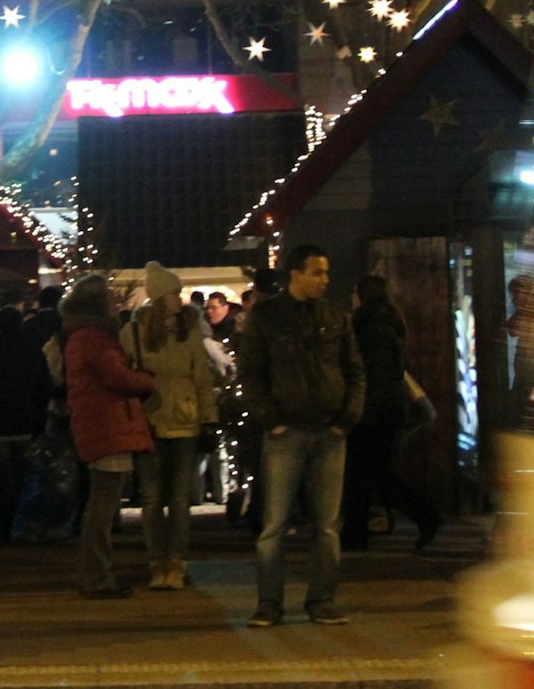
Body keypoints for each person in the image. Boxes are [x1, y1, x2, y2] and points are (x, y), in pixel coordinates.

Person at [238, 244, 364, 628]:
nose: (325, 280)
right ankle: (269, 602)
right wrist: (270, 419)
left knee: (326, 525)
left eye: (326, 273)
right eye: (317, 273)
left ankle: (322, 600)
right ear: (296, 274)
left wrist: (346, 420)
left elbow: (355, 370)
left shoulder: (335, 317)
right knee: (275, 524)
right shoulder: (267, 317)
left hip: (329, 429)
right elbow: (251, 372)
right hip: (287, 430)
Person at [123, 263, 218, 591]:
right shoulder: (133, 332)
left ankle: (176, 560)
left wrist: (209, 418)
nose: (180, 298)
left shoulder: (189, 329)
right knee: (151, 499)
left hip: (185, 421)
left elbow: (202, 377)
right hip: (148, 421)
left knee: (178, 498)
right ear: (160, 296)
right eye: (175, 292)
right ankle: (156, 561)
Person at [60, 274, 155, 598]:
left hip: (101, 423)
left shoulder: (80, 335)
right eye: (111, 298)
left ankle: (97, 573)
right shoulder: (94, 338)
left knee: (102, 504)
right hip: (107, 424)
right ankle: (97, 576)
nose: (117, 302)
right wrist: (149, 380)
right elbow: (118, 376)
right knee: (102, 506)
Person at [341, 276, 442, 552]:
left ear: (363, 295)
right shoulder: (386, 322)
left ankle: (425, 517)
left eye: (355, 292)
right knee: (372, 474)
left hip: (374, 411)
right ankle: (356, 533)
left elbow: (372, 373)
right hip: (385, 409)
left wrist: (359, 406)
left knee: (369, 475)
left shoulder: (371, 327)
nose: (352, 297)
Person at [0, 304, 53, 543]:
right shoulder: (33, 353)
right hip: (27, 425)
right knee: (24, 478)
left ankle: (7, 525)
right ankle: (23, 525)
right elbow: (43, 387)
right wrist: (39, 418)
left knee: (1, 482)